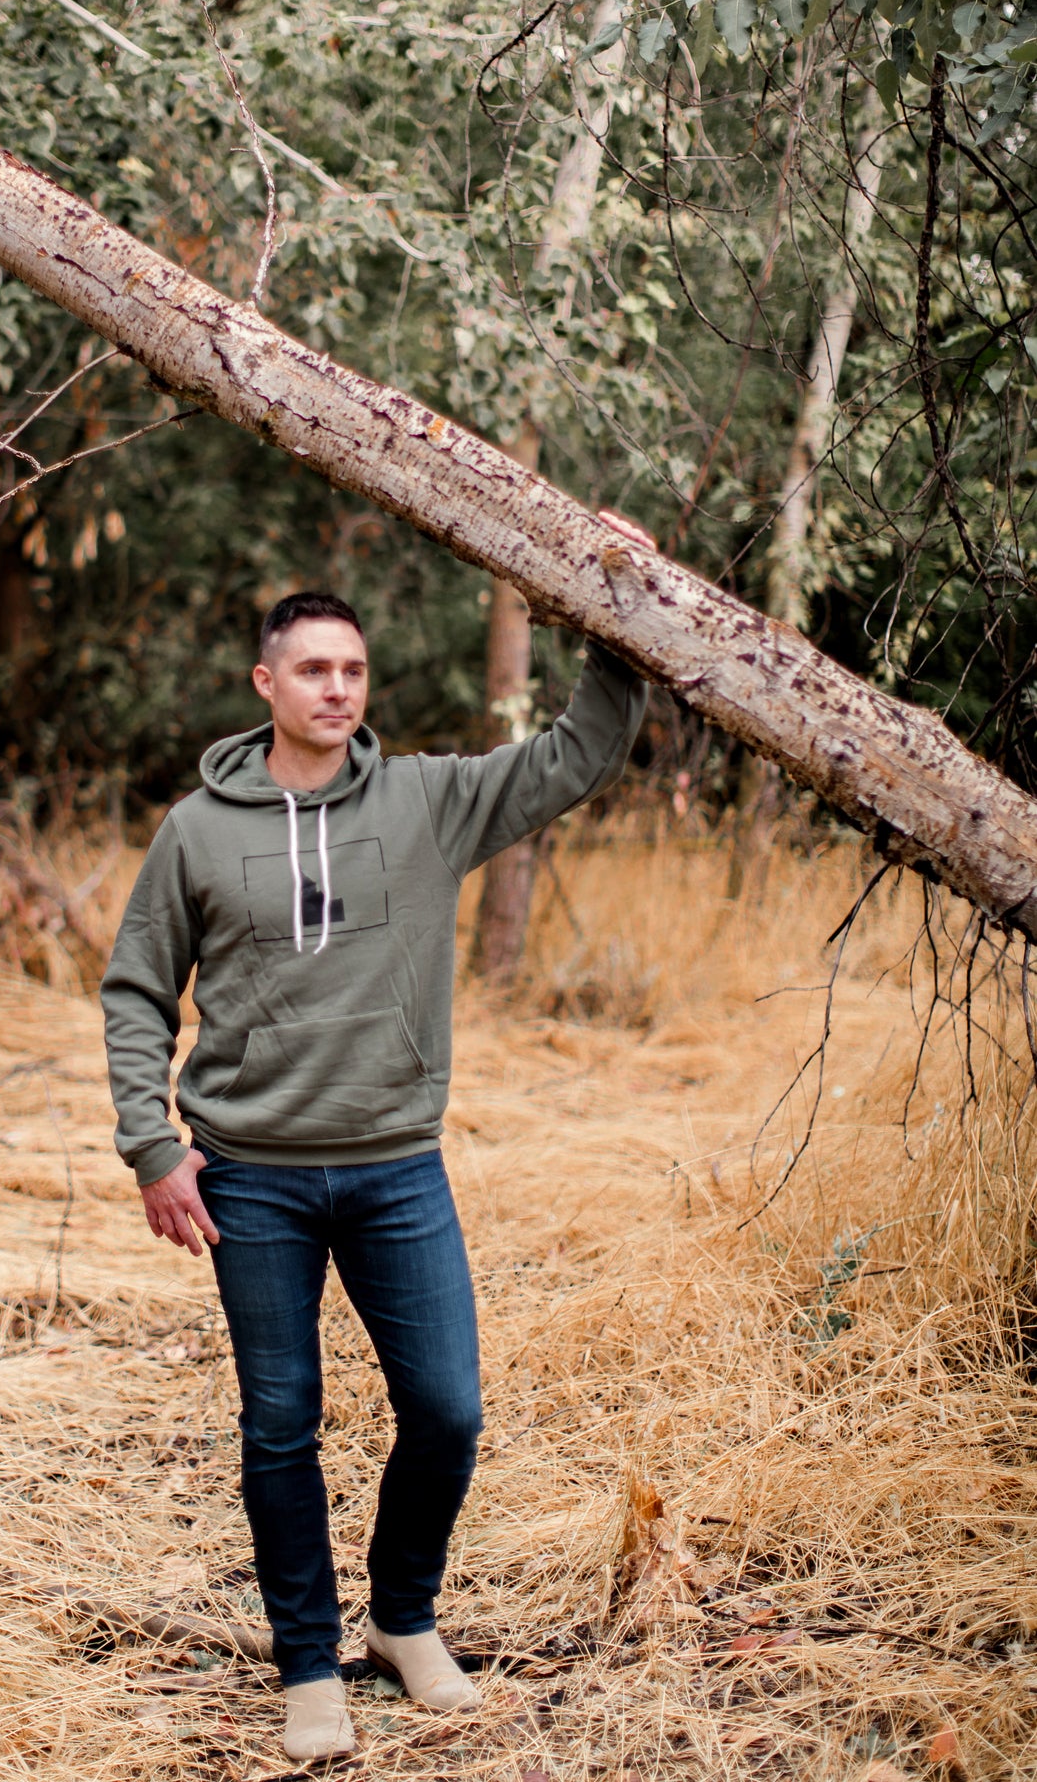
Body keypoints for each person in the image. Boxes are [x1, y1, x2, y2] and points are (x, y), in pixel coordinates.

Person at [102, 517, 650, 1764]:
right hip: (250, 1177)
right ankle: (309, 1664)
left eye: (351, 669)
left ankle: (404, 1619)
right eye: (312, 669)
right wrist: (152, 1145)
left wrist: (606, 613)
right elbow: (135, 989)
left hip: (399, 1165)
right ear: (265, 683)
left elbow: (575, 754)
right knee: (278, 1422)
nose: (336, 688)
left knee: (447, 1410)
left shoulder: (427, 800)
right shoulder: (196, 828)